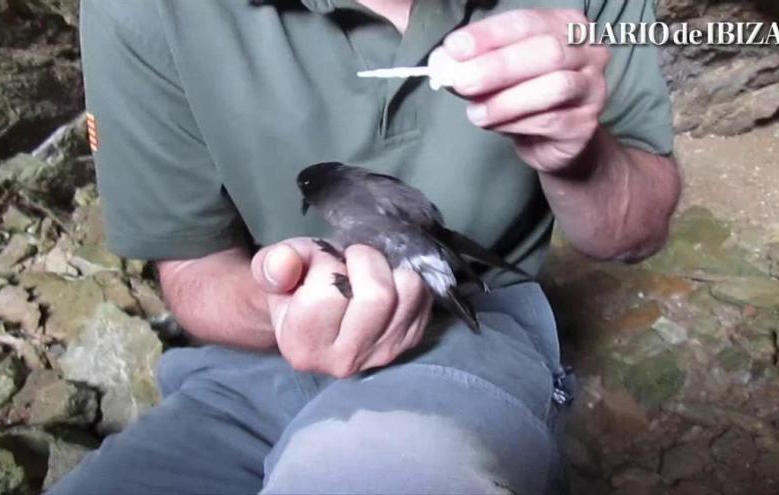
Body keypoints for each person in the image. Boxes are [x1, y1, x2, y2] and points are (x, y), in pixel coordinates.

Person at [51, 0, 681, 493]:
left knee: (378, 469)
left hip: (469, 333)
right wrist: (279, 300)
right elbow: (193, 268)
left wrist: (578, 152)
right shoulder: (143, 12)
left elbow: (634, 233)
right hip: (242, 374)